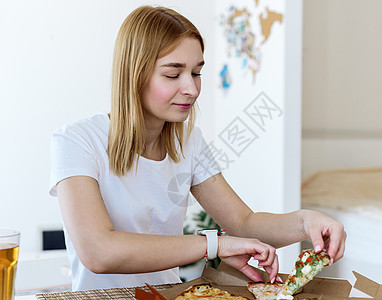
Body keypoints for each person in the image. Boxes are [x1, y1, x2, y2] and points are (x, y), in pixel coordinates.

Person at [49, 5, 346, 291]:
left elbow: (243, 223)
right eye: (172, 74)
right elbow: (99, 252)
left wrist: (305, 222)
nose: (191, 89)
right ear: (134, 75)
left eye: (196, 72)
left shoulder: (188, 142)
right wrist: (214, 245)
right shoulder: (77, 141)